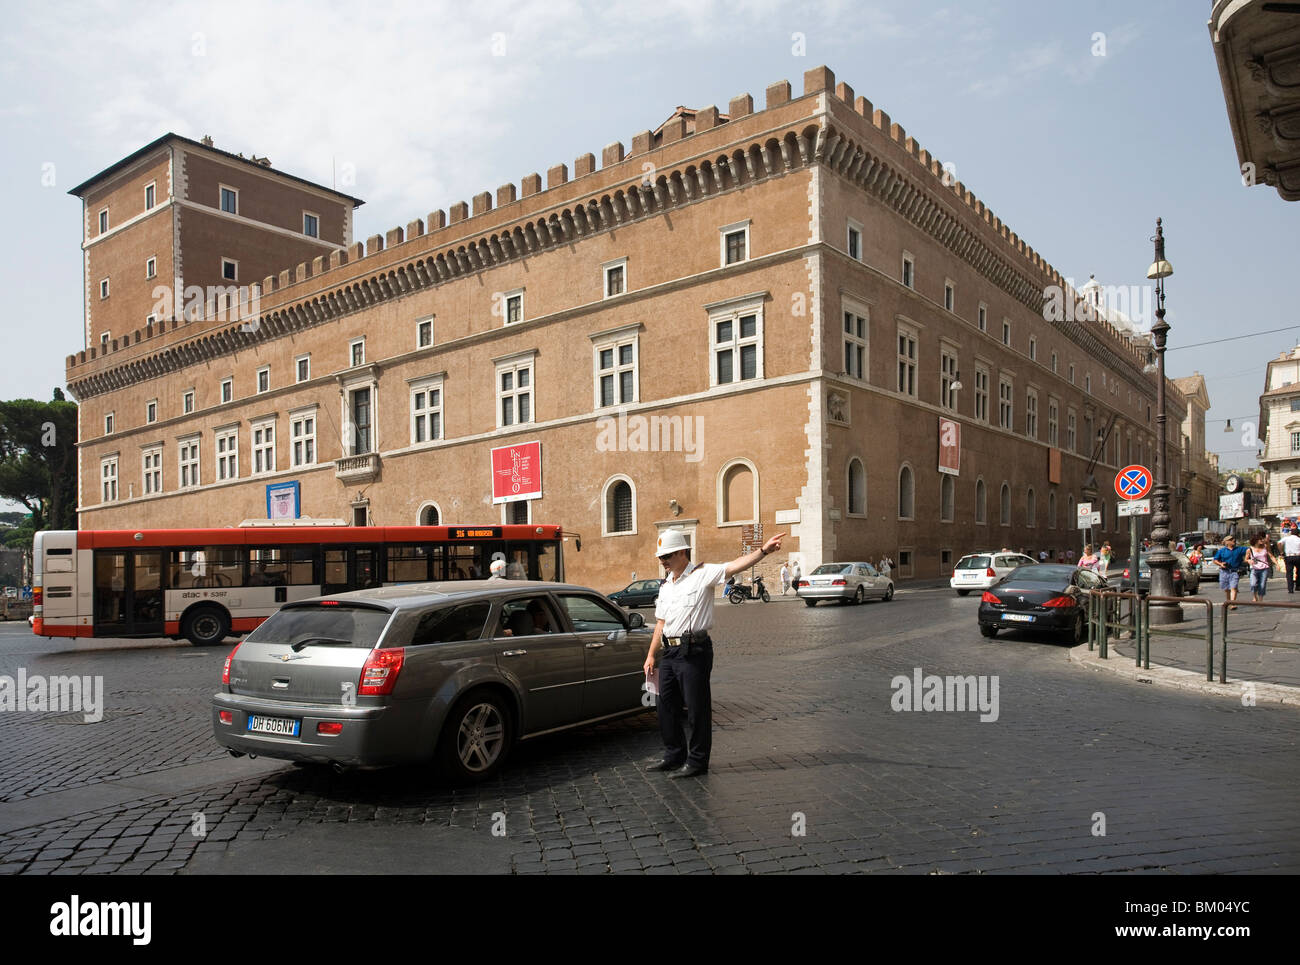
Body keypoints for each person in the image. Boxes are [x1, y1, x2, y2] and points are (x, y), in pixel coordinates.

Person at [643, 527, 785, 779]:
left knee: (697, 709)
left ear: (682, 552)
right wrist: (651, 655)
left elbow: (734, 567)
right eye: (660, 557)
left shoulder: (702, 574)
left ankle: (697, 762)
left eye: (667, 556)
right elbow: (661, 623)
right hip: (669, 653)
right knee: (665, 707)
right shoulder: (665, 586)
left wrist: (763, 551)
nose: (662, 561)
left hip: (694, 650)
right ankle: (674, 755)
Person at [1213, 535, 1248, 610]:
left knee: (1233, 587)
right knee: (1226, 589)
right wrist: (1221, 564)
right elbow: (1215, 560)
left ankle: (1233, 603)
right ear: (1227, 542)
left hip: (1235, 571)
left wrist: (1247, 557)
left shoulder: (1239, 549)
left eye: (1233, 539)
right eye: (1231, 539)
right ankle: (1229, 602)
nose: (1233, 540)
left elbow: (1250, 549)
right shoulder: (1222, 551)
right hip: (1224, 572)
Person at [1248, 535, 1278, 603]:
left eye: (1262, 539)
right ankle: (1254, 597)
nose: (1262, 541)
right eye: (1260, 540)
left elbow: (1271, 556)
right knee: (1253, 584)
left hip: (1264, 569)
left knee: (1262, 584)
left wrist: (1277, 564)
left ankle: (1261, 599)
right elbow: (1246, 559)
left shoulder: (1265, 548)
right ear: (1255, 541)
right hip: (1254, 569)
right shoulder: (1250, 549)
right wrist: (1248, 561)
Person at [1280, 527, 1300, 594]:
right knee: (1299, 572)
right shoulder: (1299, 539)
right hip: (1298, 556)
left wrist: (1281, 552)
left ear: (1291, 533)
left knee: (1289, 573)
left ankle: (1290, 589)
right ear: (1298, 534)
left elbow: (1279, 543)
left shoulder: (1286, 538)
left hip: (1289, 556)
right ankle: (1298, 585)